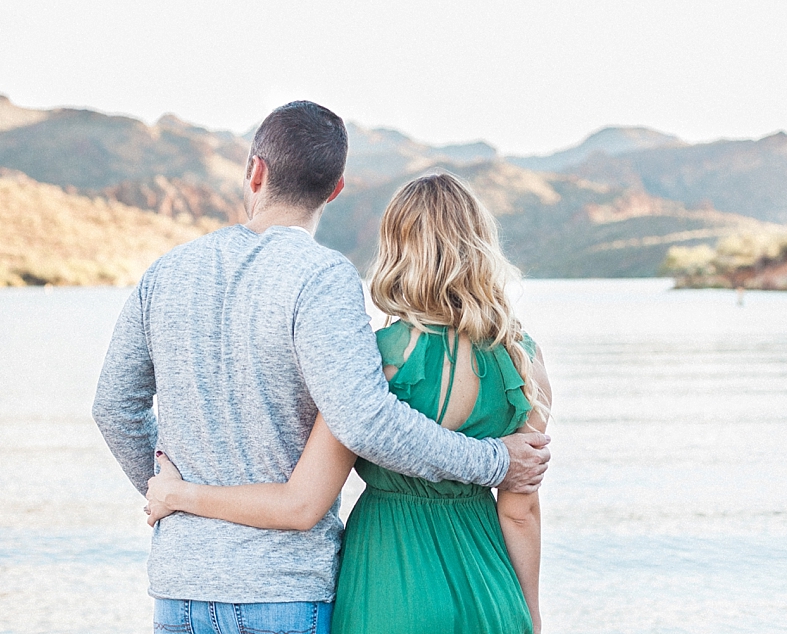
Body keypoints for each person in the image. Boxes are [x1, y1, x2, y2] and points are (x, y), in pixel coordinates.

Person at [91, 102, 550, 634]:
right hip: (288, 587)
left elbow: (113, 407)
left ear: (254, 171)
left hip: (181, 588)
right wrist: (494, 463)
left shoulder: (165, 273)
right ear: (335, 190)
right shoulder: (324, 277)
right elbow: (366, 422)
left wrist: (167, 490)